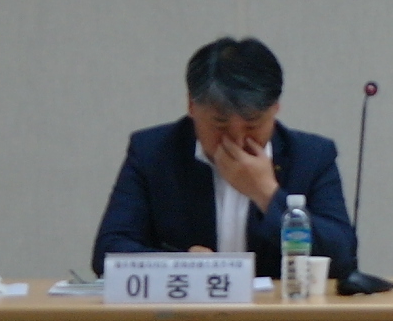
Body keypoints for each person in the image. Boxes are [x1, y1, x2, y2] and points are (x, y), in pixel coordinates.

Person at [93, 36, 357, 280]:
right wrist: (181, 265)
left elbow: (343, 258)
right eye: (220, 124)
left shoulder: (311, 156)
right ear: (191, 105)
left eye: (252, 125)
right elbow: (108, 253)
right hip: (185, 313)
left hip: (278, 312)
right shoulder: (152, 152)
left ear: (276, 107)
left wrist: (267, 194)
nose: (237, 140)